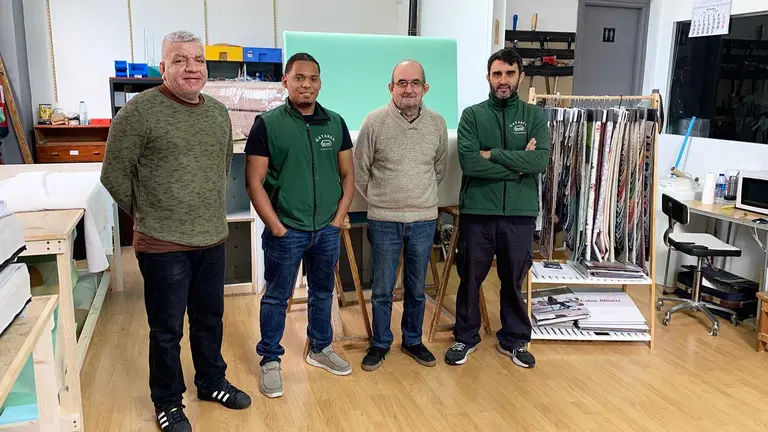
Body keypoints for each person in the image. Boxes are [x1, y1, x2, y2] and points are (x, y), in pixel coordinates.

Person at [101, 30, 251, 432]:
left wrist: (201, 212)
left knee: (210, 319)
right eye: (180, 59)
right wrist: (150, 214)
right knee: (166, 330)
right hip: (163, 244)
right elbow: (113, 175)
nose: (191, 67)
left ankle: (211, 381)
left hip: (211, 238)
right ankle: (167, 402)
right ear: (163, 68)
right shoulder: (138, 113)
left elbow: (221, 169)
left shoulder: (218, 113)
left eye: (198, 59)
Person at [245, 52, 355, 398]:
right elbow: (253, 182)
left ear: (320, 82)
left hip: (326, 229)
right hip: (287, 230)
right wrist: (277, 227)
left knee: (323, 292)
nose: (307, 85)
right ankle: (270, 361)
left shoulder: (335, 123)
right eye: (299, 78)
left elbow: (349, 174)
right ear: (286, 81)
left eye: (313, 79)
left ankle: (321, 348)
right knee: (278, 297)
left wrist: (337, 219)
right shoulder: (268, 124)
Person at [444, 48, 550, 368]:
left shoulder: (533, 116)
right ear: (488, 78)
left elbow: (539, 160)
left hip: (519, 213)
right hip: (478, 210)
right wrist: (519, 165)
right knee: (470, 278)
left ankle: (515, 340)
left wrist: (495, 154)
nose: (503, 80)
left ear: (520, 76)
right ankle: (465, 337)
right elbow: (471, 163)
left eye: (509, 73)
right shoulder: (473, 115)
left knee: (513, 279)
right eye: (497, 74)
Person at [353, 60, 447, 371]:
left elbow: (439, 169)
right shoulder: (374, 122)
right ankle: (380, 343)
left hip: (423, 220)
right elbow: (360, 171)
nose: (409, 89)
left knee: (417, 288)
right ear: (391, 87)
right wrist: (383, 200)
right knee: (381, 288)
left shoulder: (437, 123)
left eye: (415, 83)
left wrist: (418, 199)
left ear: (425, 88)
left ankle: (412, 339)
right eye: (402, 83)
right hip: (384, 221)